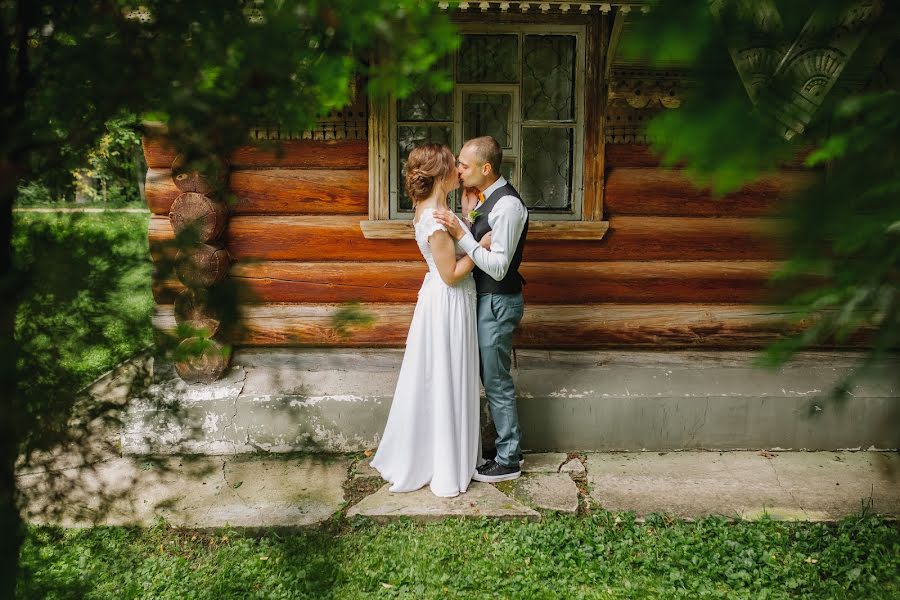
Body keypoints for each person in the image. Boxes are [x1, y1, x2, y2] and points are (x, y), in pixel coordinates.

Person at [370, 143, 492, 497]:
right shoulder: (434, 220)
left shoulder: (438, 210)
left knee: (442, 375)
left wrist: (466, 224)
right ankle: (444, 462)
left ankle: (448, 454)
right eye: (453, 164)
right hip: (449, 301)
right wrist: (480, 247)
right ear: (440, 175)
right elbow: (452, 273)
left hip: (446, 299)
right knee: (445, 376)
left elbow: (451, 252)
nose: (459, 168)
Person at [434, 136, 529, 484]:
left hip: (499, 301)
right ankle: (499, 448)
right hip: (486, 300)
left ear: (485, 169)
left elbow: (500, 267)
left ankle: (509, 459)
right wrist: (467, 222)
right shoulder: (486, 200)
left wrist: (463, 234)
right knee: (487, 377)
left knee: (496, 380)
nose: (457, 170)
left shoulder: (508, 207)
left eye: (464, 165)